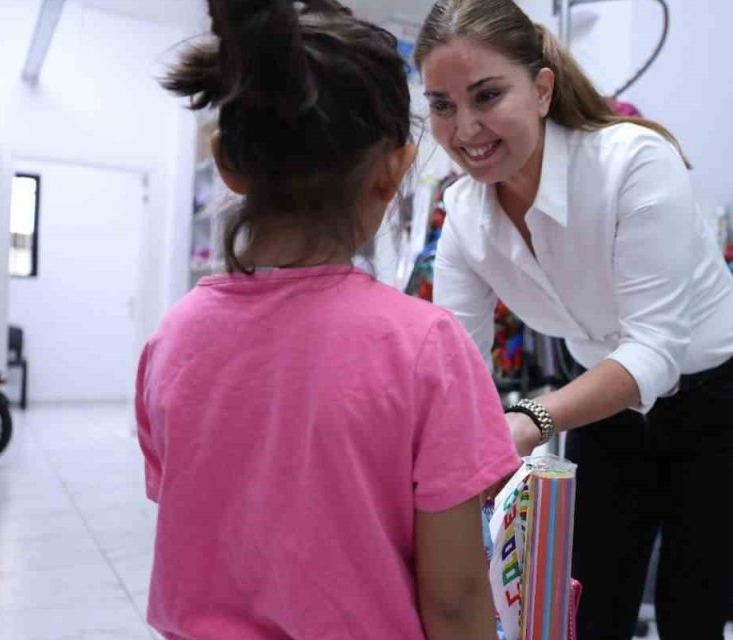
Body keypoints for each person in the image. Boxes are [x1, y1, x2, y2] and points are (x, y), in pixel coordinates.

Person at [136, 1, 519, 638]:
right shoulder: (424, 347)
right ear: (393, 170)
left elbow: (203, 520)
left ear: (228, 163)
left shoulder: (171, 337)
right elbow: (453, 600)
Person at [414, 0, 733, 637]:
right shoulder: (465, 218)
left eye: (487, 95)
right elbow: (457, 369)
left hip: (722, 399)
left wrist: (526, 421)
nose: (465, 127)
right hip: (603, 413)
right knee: (585, 607)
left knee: (693, 610)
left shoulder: (631, 161)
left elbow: (653, 356)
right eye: (442, 105)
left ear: (542, 89)